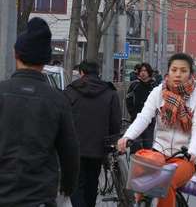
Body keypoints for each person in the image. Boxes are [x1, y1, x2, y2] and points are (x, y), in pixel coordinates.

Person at [0, 17, 79, 206]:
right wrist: (67, 186)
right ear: (46, 60)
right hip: (39, 196)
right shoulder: (57, 100)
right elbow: (70, 152)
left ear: (16, 54)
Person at [118, 53, 196, 207]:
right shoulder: (158, 92)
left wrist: (193, 151)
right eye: (174, 70)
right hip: (158, 153)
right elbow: (144, 117)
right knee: (140, 183)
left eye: (183, 70)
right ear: (168, 71)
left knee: (166, 182)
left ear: (191, 73)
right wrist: (127, 137)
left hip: (184, 157)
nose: (178, 74)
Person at [63, 60, 121, 207]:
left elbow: (63, 119)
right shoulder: (110, 92)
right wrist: (112, 143)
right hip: (98, 148)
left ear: (81, 72)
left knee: (77, 184)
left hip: (75, 147)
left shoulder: (70, 91)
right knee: (92, 181)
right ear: (98, 72)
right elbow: (115, 122)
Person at [125, 62, 157, 151]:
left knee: (148, 146)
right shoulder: (134, 85)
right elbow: (128, 100)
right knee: (135, 146)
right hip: (136, 119)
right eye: (141, 71)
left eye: (145, 71)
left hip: (150, 121)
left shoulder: (154, 86)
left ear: (149, 72)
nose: (143, 73)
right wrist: (133, 113)